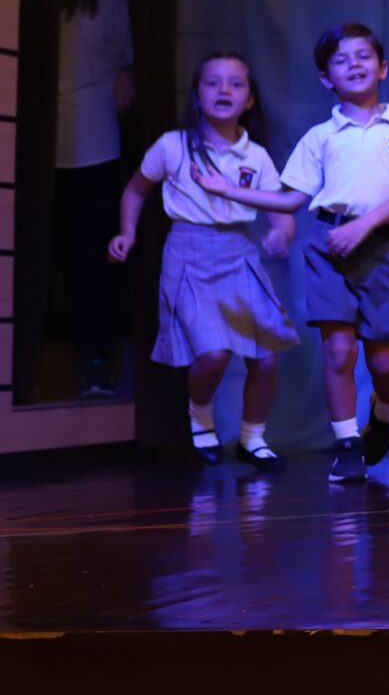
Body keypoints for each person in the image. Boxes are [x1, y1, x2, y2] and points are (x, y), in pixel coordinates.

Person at [204, 23, 389, 484]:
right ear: (326, 78)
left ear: (383, 68)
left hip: (382, 250)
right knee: (339, 351)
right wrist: (228, 189)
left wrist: (363, 226)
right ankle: (347, 444)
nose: (354, 65)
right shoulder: (320, 137)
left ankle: (386, 411)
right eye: (341, 60)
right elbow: (291, 198)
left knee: (385, 362)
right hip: (329, 247)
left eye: (363, 56)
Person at [108, 53, 297, 465]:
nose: (223, 89)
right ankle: (200, 415)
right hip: (189, 253)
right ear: (197, 94)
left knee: (266, 358)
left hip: (239, 254)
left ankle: (252, 438)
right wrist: (127, 232)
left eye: (235, 83)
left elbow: (281, 210)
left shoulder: (256, 156)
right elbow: (136, 189)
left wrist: (281, 234)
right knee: (213, 354)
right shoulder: (172, 145)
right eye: (212, 82)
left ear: (249, 99)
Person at [56, 0, 135, 396]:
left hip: (95, 137)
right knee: (58, 253)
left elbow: (130, 54)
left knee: (93, 254)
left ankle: (96, 360)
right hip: (46, 138)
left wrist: (128, 73)